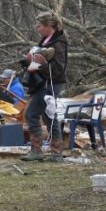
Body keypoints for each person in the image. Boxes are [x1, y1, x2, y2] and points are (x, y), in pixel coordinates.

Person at [20, 12, 68, 162]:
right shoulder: (46, 41)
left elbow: (58, 69)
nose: (37, 28)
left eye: (40, 26)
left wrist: (41, 65)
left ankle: (38, 150)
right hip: (43, 83)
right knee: (48, 117)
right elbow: (40, 64)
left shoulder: (58, 43)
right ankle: (55, 153)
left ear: (49, 26)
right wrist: (29, 62)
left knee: (31, 114)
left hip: (51, 84)